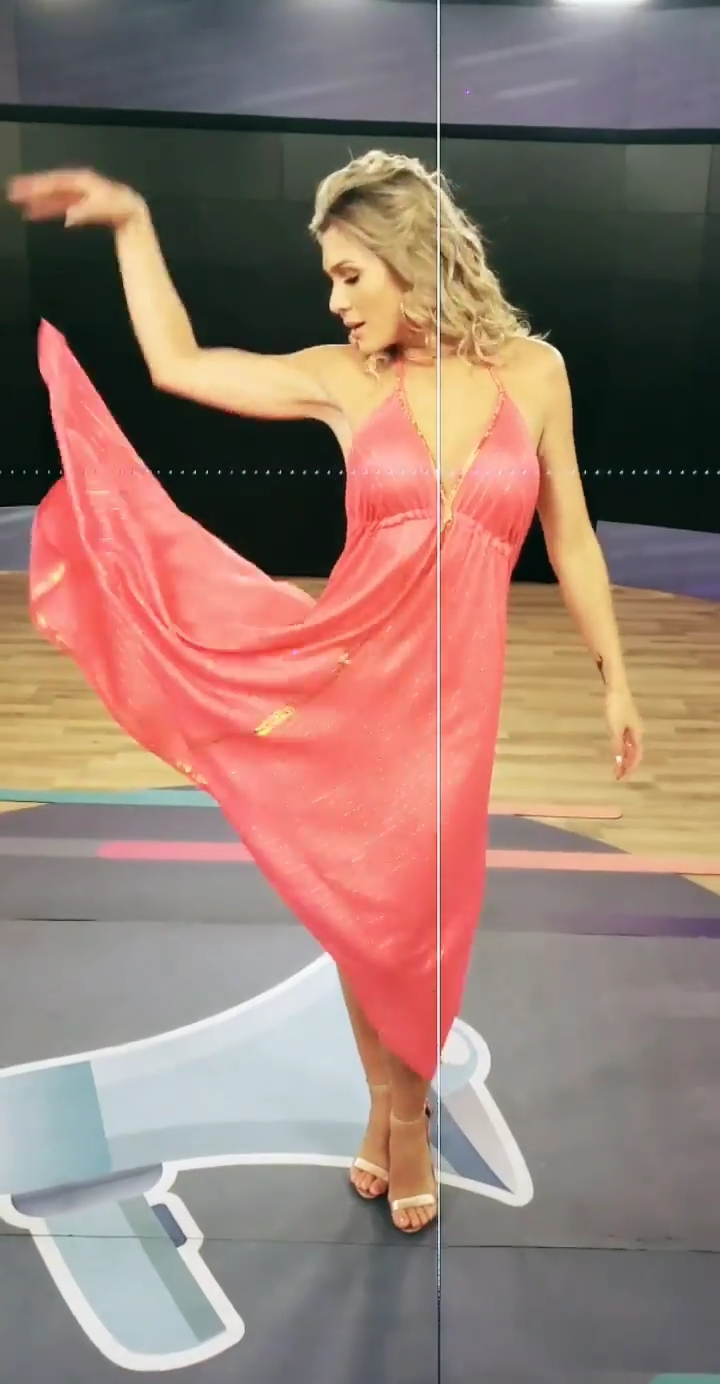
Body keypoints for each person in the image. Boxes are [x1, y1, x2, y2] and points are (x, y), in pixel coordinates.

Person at [7, 150, 643, 1234]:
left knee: (419, 918)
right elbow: (178, 364)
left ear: (409, 258)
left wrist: (614, 678)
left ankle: (399, 1109)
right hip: (346, 683)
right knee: (366, 908)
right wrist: (132, 222)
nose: (336, 301)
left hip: (454, 710)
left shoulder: (535, 374)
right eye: (330, 280)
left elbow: (570, 536)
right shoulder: (347, 381)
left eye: (350, 275)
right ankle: (398, 1114)